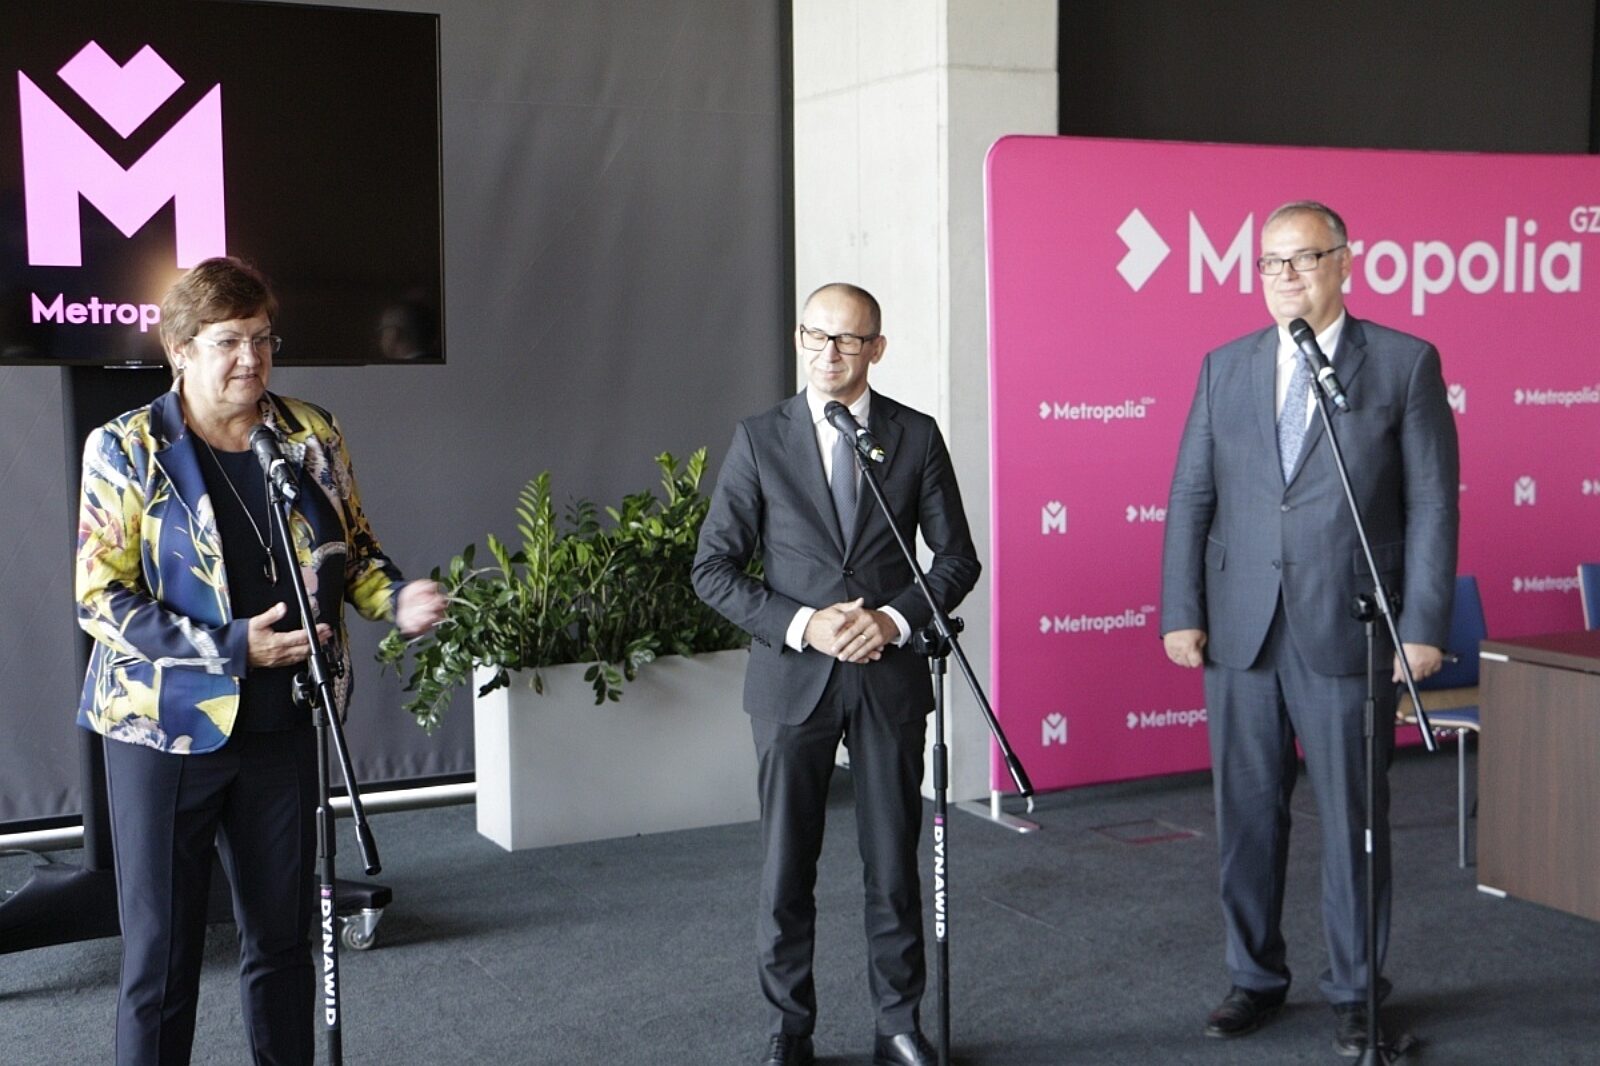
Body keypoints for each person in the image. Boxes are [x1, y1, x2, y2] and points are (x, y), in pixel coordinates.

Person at [75, 256, 448, 1065]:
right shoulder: (128, 447)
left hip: (287, 722)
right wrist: (228, 647)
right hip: (164, 732)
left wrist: (398, 599)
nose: (252, 358)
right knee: (162, 960)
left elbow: (355, 552)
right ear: (179, 349)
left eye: (263, 338)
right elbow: (101, 599)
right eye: (229, 342)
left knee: (281, 943)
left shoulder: (310, 434)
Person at [1160, 202, 1459, 1058]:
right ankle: (1253, 977)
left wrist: (1421, 625)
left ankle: (1357, 993)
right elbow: (1192, 493)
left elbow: (1433, 501)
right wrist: (1181, 609)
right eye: (1270, 262)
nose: (1284, 276)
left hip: (1350, 626)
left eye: (1303, 258)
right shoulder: (1226, 365)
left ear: (1345, 263)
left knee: (1354, 821)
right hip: (1241, 630)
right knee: (1247, 816)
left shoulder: (1402, 362)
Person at [693, 283, 980, 1066]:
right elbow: (712, 569)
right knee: (787, 867)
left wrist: (891, 620)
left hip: (888, 677)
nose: (830, 353)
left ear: (875, 349)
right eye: (818, 336)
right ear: (799, 339)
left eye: (849, 339)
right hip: (793, 680)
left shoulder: (915, 436)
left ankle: (898, 1023)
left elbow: (956, 559)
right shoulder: (761, 439)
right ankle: (790, 1028)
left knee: (892, 864)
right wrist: (805, 623)